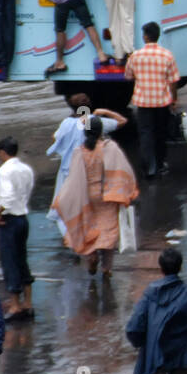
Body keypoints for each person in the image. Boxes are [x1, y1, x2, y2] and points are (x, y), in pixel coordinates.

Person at [52, 115, 139, 276]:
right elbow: (124, 169)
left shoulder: (80, 152)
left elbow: (74, 177)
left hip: (87, 195)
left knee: (90, 227)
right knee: (109, 229)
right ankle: (107, 267)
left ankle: (92, 255)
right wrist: (128, 191)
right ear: (101, 132)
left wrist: (67, 197)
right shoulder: (110, 147)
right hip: (107, 194)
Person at [47, 93, 127, 218]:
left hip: (68, 170)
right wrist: (104, 111)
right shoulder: (95, 122)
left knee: (70, 207)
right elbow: (122, 121)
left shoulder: (66, 123)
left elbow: (55, 137)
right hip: (90, 173)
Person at [0, 136, 36, 322]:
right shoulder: (26, 169)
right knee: (22, 259)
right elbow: (21, 192)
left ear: (2, 152)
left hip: (9, 220)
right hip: (22, 218)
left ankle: (15, 305)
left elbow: (7, 199)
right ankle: (28, 303)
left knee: (10, 262)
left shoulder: (4, 171)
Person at [125, 21, 180, 180]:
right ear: (158, 35)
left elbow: (128, 76)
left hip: (143, 102)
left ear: (145, 37)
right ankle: (161, 163)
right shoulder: (167, 55)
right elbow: (173, 80)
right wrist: (174, 99)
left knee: (145, 134)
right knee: (160, 133)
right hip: (162, 102)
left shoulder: (135, 56)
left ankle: (149, 167)